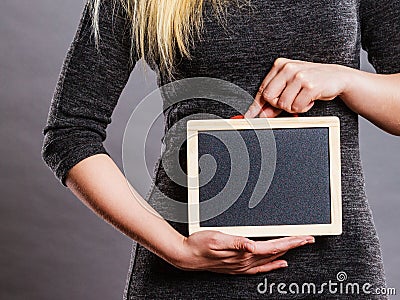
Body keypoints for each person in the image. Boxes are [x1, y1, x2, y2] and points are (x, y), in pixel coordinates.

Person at [42, 0, 400, 298]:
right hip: (187, 268)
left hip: (335, 267)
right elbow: (70, 133)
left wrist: (348, 80)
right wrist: (176, 250)